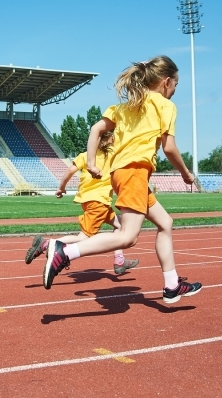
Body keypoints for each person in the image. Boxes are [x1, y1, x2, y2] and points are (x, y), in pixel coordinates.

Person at [42, 55, 202, 304]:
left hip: (121, 174)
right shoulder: (165, 106)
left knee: (165, 223)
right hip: (134, 172)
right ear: (166, 82)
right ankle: (65, 252)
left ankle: (172, 285)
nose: (174, 90)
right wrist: (185, 173)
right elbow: (169, 147)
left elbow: (96, 129)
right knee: (127, 237)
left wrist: (93, 162)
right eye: (176, 85)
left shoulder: (127, 106)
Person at [25, 130, 139, 275]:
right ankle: (46, 244)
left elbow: (70, 171)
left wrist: (61, 188)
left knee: (122, 226)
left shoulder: (85, 156)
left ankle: (119, 260)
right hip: (98, 203)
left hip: (91, 201)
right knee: (83, 238)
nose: (114, 141)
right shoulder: (112, 156)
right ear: (107, 140)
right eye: (112, 138)